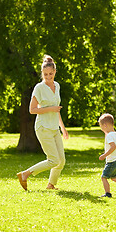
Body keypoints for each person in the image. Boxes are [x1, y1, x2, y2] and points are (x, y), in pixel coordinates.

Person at [17, 55, 69, 191]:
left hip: (54, 128)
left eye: (51, 74)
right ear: (42, 73)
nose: (48, 77)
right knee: (53, 160)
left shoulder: (57, 86)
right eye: (45, 74)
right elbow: (32, 110)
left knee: (61, 161)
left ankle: (51, 185)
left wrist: (63, 128)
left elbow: (57, 109)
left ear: (55, 72)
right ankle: (25, 174)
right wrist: (50, 109)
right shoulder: (39, 88)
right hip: (43, 127)